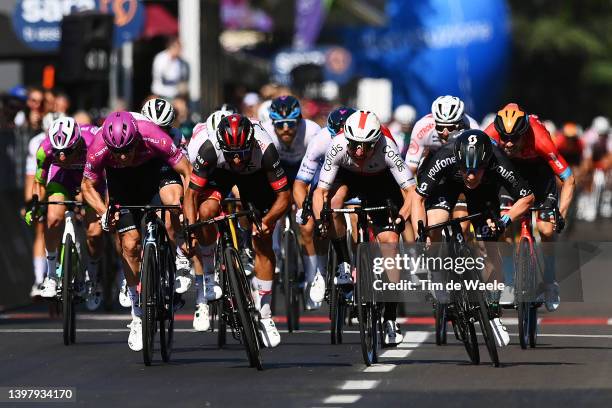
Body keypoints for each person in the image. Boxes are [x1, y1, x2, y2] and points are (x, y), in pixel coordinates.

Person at [411, 129, 536, 347]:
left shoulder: (498, 160)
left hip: (484, 193)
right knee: (434, 223)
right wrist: (420, 234)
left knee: (489, 243)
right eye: (466, 169)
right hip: (446, 186)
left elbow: (528, 197)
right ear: (458, 160)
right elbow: (418, 198)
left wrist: (503, 222)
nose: (470, 175)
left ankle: (494, 311)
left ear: (486, 163)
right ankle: (439, 279)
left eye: (476, 170)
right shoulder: (445, 156)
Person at [81, 111, 193, 352]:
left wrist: (186, 209)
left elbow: (186, 171)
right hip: (122, 184)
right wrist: (104, 212)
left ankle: (176, 259)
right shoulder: (99, 145)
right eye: (117, 151)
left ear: (137, 140)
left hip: (155, 172)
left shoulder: (151, 134)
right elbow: (87, 185)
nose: (123, 156)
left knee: (172, 207)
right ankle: (137, 314)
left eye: (128, 149)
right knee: (130, 244)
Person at [185, 114, 290, 347]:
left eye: (242, 153)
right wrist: (190, 231)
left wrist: (268, 221)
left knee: (263, 241)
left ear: (251, 143)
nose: (237, 160)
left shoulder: (265, 148)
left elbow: (284, 196)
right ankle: (210, 276)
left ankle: (265, 315)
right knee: (205, 213)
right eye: (232, 154)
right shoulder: (209, 147)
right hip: (219, 175)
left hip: (255, 177)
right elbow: (191, 194)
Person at [312, 110, 415, 345]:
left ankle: (390, 317)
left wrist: (401, 218)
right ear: (347, 140)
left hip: (381, 181)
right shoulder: (338, 146)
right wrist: (320, 222)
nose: (359, 152)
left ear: (376, 141)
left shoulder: (388, 147)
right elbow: (321, 192)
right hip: (349, 176)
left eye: (366, 146)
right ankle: (345, 263)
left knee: (389, 243)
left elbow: (411, 193)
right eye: (355, 145)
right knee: (334, 204)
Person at [484, 103, 576, 311]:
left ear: (524, 133)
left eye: (514, 138)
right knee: (503, 225)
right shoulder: (489, 135)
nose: (507, 143)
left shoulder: (540, 138)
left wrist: (561, 214)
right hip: (510, 173)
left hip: (539, 173)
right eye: (503, 138)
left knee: (546, 229)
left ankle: (550, 281)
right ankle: (508, 282)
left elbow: (569, 179)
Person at [27, 117, 105, 310]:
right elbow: (39, 183)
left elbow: (108, 180)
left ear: (78, 143)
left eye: (68, 151)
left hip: (91, 178)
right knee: (53, 219)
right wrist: (35, 207)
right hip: (61, 178)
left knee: (94, 234)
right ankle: (51, 275)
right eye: (58, 151)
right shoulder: (45, 150)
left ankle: (93, 278)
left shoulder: (94, 142)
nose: (62, 157)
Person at [293, 106, 356, 309]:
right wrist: (304, 209)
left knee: (356, 217)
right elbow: (301, 184)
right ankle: (318, 274)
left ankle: (358, 264)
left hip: (355, 176)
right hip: (327, 178)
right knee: (315, 223)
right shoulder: (319, 142)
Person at [261, 95, 322, 292]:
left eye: (291, 124)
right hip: (277, 169)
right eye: (280, 125)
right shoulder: (265, 133)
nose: (286, 129)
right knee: (272, 206)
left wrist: (308, 200)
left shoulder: (312, 131)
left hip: (306, 170)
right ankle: (276, 251)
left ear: (299, 121)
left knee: (307, 224)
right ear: (273, 124)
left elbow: (320, 169)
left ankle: (312, 277)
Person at [141, 97, 193, 293]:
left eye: (162, 128)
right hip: (143, 173)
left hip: (167, 172)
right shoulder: (135, 132)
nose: (156, 134)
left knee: (172, 210)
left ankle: (179, 253)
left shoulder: (178, 136)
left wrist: (186, 205)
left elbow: (185, 172)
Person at [23, 112, 63, 297]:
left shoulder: (73, 139)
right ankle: (39, 279)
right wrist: (31, 203)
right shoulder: (38, 144)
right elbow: (33, 177)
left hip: (68, 180)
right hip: (46, 181)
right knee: (42, 226)